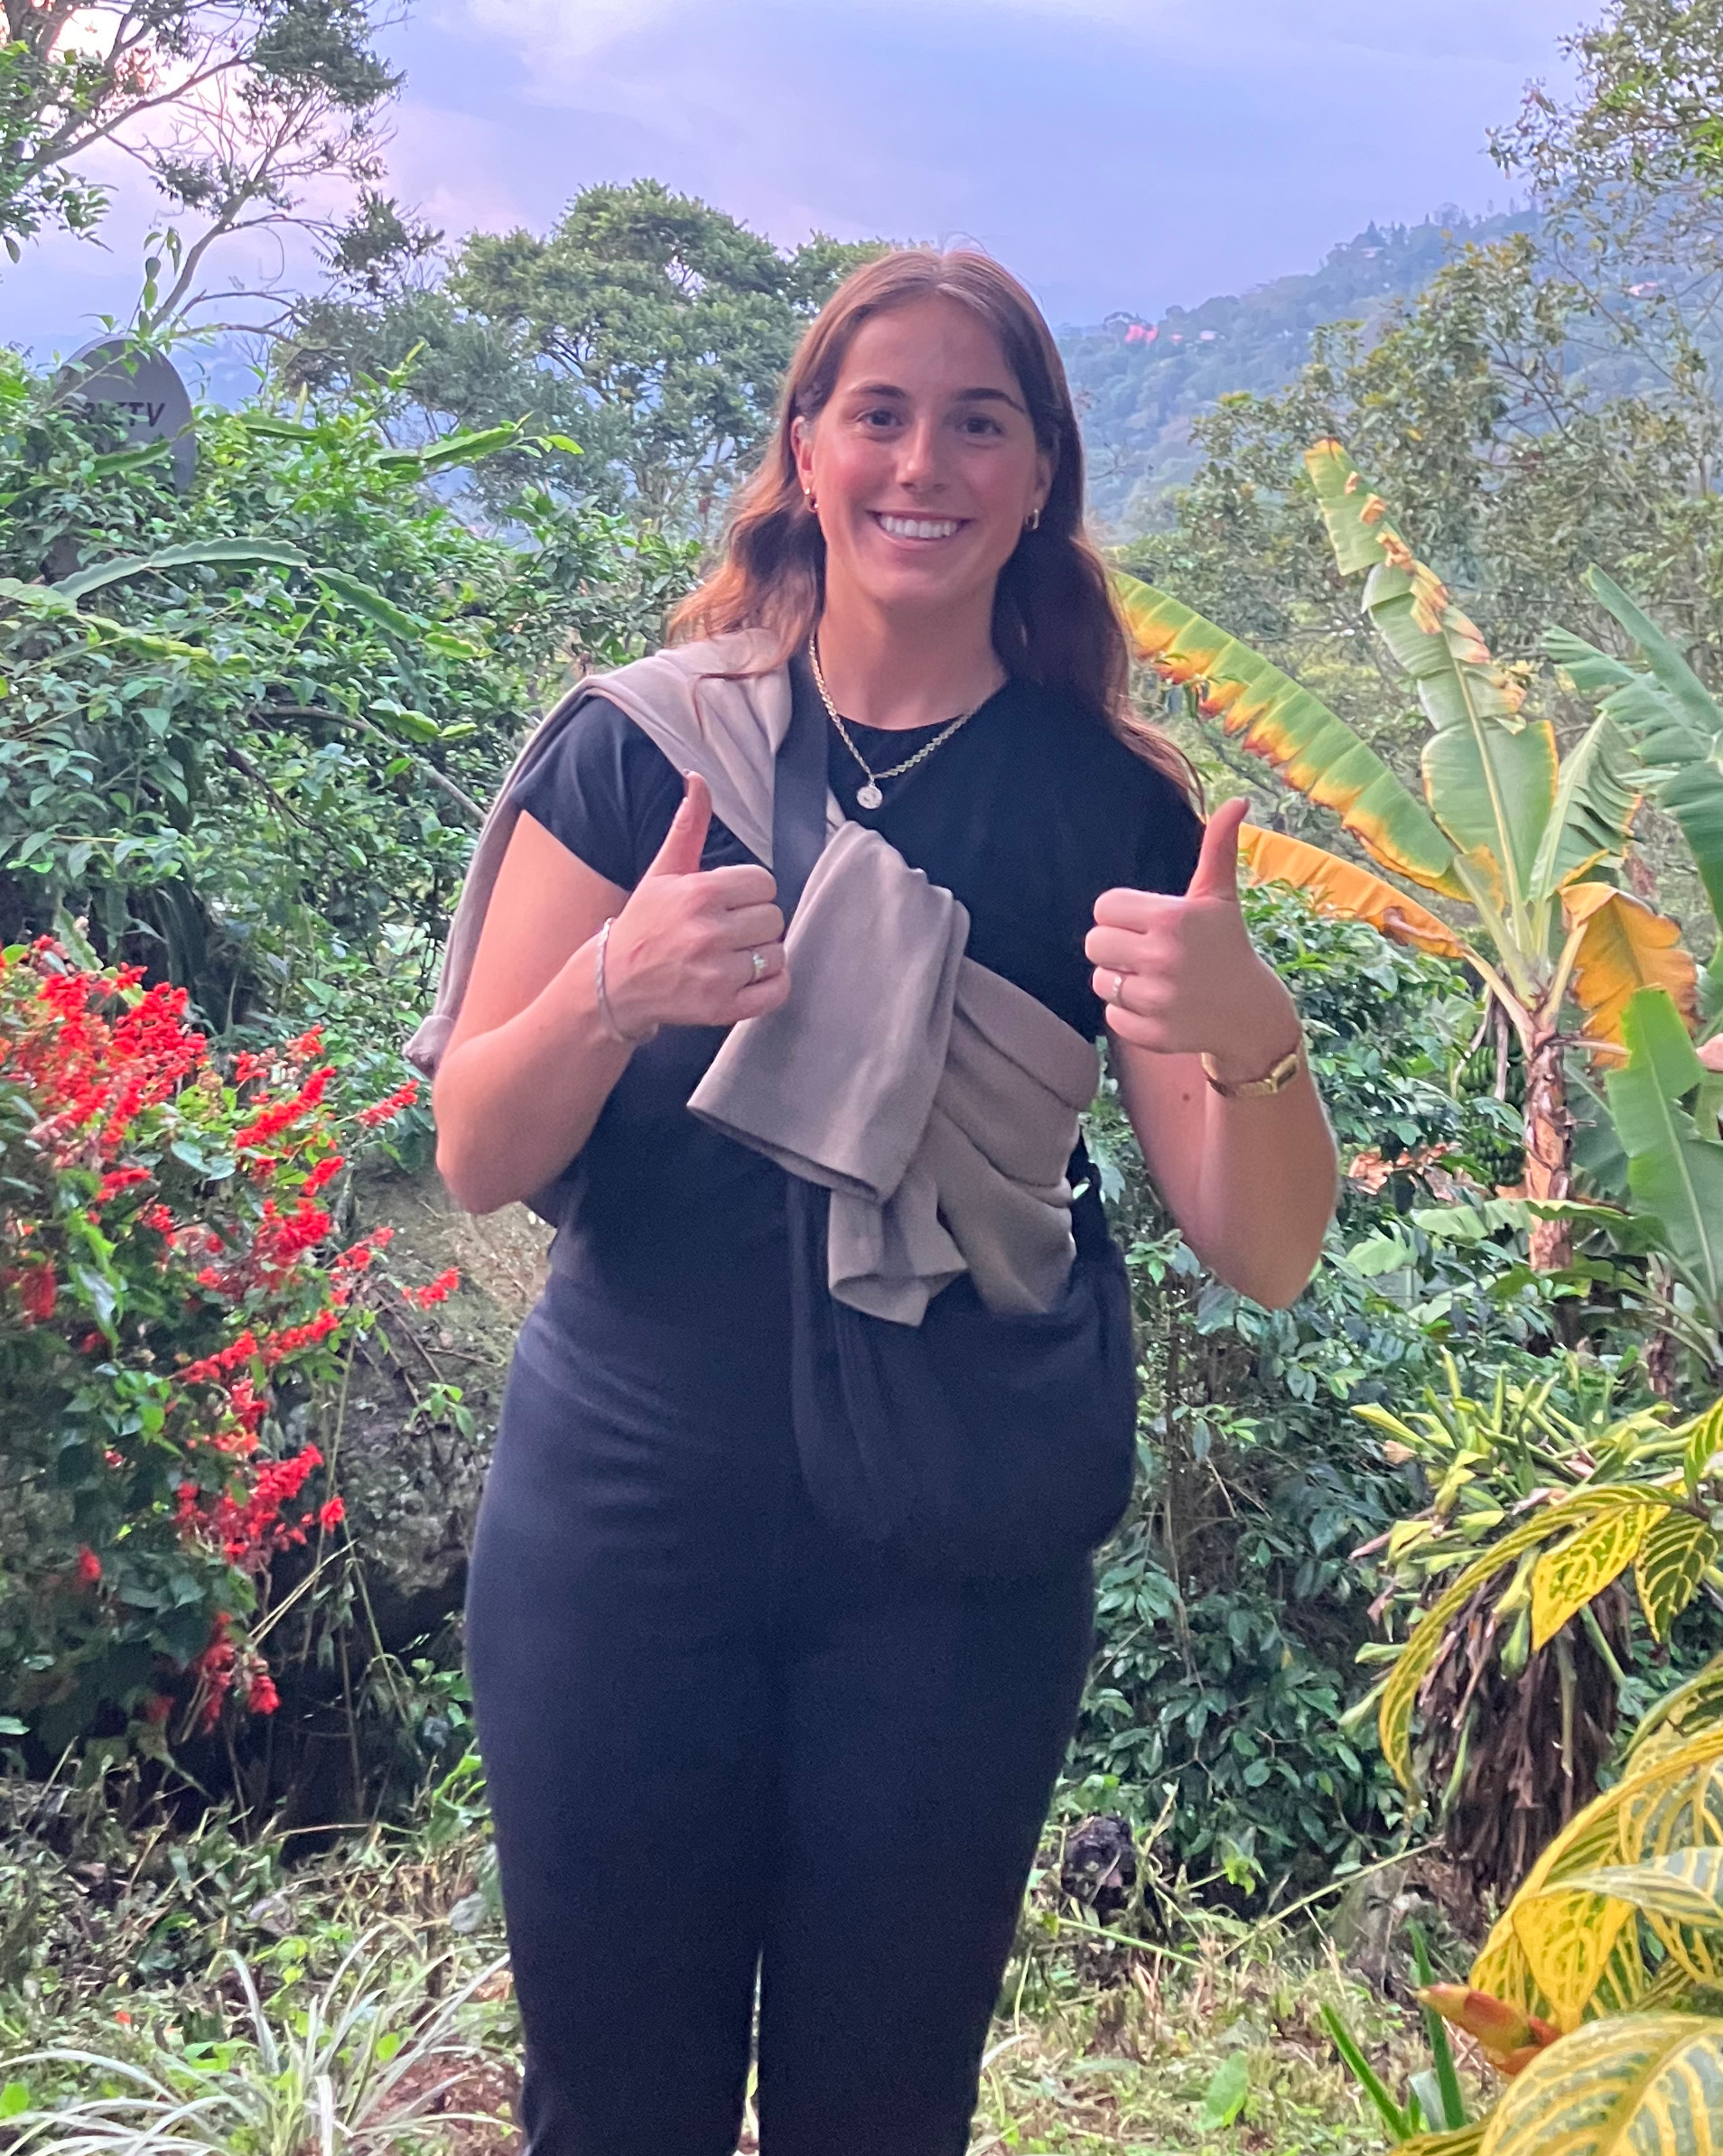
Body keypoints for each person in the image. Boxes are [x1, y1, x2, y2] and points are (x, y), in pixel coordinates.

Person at [429, 247, 1336, 2156]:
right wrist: (613, 989)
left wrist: (1257, 1034)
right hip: (623, 1531)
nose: (924, 461)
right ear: (808, 453)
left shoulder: (1115, 815)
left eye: (977, 422)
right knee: (615, 2106)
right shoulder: (644, 754)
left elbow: (1260, 1248)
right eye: (882, 413)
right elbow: (479, 1154)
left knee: (881, 2110)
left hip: (949, 1563)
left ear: (1037, 478)